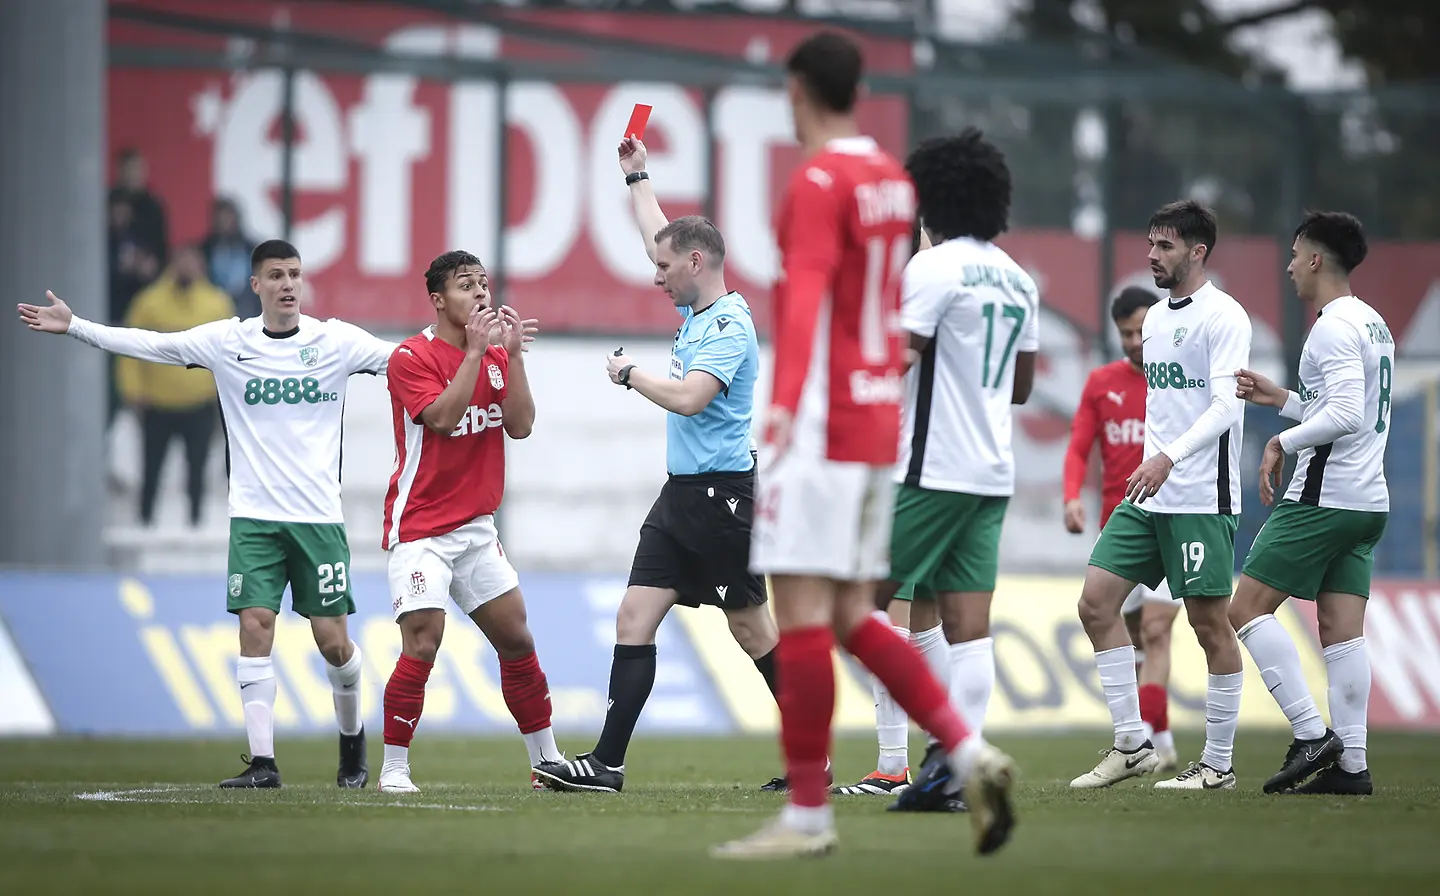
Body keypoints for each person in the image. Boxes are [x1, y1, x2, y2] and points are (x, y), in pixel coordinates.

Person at [711, 31, 1016, 860]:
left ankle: (807, 817)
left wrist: (778, 411)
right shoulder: (888, 177)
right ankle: (967, 748)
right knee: (852, 613)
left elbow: (804, 300)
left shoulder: (815, 181)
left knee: (804, 614)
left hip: (820, 419)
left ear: (798, 89)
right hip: (881, 421)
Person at [19, 239, 395, 789]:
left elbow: (409, 358)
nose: (288, 283)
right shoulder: (227, 341)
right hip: (254, 518)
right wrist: (76, 325)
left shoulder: (335, 341)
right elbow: (150, 343)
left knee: (333, 642)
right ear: (256, 285)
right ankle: (263, 764)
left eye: (294, 274)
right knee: (254, 626)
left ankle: (352, 744)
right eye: (276, 275)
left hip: (318, 520)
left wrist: (477, 347)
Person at [532, 136, 783, 794]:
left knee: (753, 631)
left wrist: (629, 374)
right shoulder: (694, 305)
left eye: (667, 266)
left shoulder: (729, 326)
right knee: (632, 618)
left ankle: (811, 757)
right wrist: (636, 174)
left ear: (696, 263)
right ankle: (608, 765)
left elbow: (691, 398)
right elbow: (657, 235)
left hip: (725, 501)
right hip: (680, 499)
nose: (655, 273)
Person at [837, 130, 1038, 811]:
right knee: (965, 625)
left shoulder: (932, 268)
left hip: (928, 472)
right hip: (991, 472)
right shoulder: (1017, 276)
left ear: (927, 198)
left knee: (850, 607)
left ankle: (942, 751)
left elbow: (899, 359)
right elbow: (1019, 387)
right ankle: (955, 769)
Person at [1069, 200, 1251, 791]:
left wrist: (1168, 456)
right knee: (1096, 603)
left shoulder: (1225, 316)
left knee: (1208, 626)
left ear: (1198, 252)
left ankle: (1217, 766)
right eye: (1151, 243)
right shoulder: (1153, 320)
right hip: (1150, 495)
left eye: (1166, 246)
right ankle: (1131, 745)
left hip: (1199, 494)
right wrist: (1156, 460)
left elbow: (1227, 406)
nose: (1152, 255)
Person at [378, 250, 565, 793]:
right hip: (420, 528)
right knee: (423, 640)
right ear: (438, 300)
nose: (481, 293)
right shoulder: (410, 357)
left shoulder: (494, 358)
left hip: (476, 530)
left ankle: (546, 762)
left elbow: (522, 426)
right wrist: (477, 355)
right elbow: (441, 418)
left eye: (484, 283)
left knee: (516, 638)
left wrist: (513, 358)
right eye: (466, 286)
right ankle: (393, 769)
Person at [1230, 211, 1390, 796]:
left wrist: (1280, 439)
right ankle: (1353, 768)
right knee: (1342, 633)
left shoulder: (1331, 327)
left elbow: (1344, 416)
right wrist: (1287, 401)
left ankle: (1309, 732)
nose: (1289, 265)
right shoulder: (1372, 323)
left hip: (1322, 499)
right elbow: (1349, 409)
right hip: (1367, 501)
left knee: (1244, 609)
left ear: (1317, 259)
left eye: (1295, 254)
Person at [1063, 286, 1181, 775]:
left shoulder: (1176, 382)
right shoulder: (1101, 383)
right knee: (1129, 637)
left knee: (1156, 631)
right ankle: (1160, 735)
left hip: (1172, 518)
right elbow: (1078, 447)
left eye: (1140, 330)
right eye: (1125, 333)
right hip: (1121, 526)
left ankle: (1145, 739)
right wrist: (1072, 496)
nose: (1134, 341)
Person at [117, 244, 235, 527]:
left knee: (197, 467)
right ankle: (144, 520)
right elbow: (130, 346)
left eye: (193, 261)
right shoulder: (149, 301)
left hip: (199, 402)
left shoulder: (216, 303)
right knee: (152, 466)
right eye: (182, 260)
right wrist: (132, 389)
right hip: (158, 401)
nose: (187, 267)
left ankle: (195, 521)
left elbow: (231, 352)